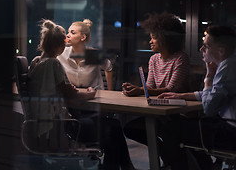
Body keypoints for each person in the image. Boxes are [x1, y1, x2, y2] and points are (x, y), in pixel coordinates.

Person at [28, 19, 135, 170]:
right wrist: (88, 94)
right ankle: (122, 166)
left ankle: (119, 166)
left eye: (72, 32)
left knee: (110, 129)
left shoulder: (36, 63)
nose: (68, 37)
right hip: (63, 125)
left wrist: (108, 91)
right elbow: (71, 94)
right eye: (66, 35)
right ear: (60, 45)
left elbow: (109, 67)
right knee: (112, 128)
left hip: (52, 122)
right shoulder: (58, 59)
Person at [157, 25, 236, 169]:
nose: (201, 49)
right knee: (184, 126)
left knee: (170, 128)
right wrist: (180, 95)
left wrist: (208, 77)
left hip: (230, 133)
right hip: (229, 126)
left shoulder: (226, 67)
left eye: (206, 46)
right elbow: (213, 95)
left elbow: (209, 108)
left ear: (221, 51)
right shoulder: (231, 63)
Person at [121, 12, 190, 164]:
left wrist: (141, 90)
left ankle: (173, 160)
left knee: (167, 132)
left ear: (166, 38)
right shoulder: (153, 59)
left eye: (154, 37)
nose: (150, 41)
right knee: (130, 128)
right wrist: (137, 89)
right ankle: (166, 155)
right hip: (159, 111)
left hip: (176, 113)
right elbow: (150, 87)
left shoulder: (181, 58)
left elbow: (172, 89)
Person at [57, 19, 113, 91]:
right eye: (68, 32)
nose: (67, 35)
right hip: (75, 95)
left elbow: (108, 67)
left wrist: (110, 92)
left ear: (83, 37)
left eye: (72, 33)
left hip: (96, 95)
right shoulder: (61, 53)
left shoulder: (93, 55)